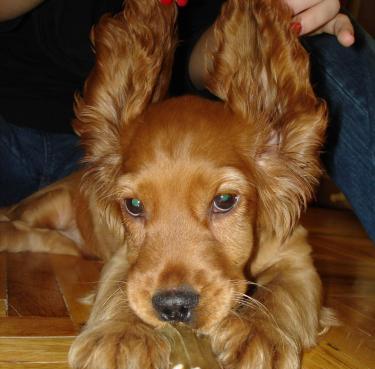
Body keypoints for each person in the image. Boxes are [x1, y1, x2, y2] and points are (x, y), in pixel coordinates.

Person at [0, 0, 374, 240]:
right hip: (9, 121)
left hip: (152, 153)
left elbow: (199, 58)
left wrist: (266, 24)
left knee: (336, 44)